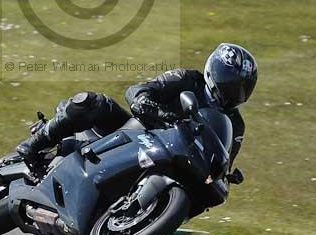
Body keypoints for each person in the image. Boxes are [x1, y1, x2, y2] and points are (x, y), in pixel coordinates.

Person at [16, 44, 258, 183]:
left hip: (171, 160)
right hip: (133, 133)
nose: (233, 91)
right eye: (230, 82)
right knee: (93, 102)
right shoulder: (187, 79)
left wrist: (223, 177)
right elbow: (140, 90)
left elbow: (223, 159)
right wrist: (148, 104)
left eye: (240, 87)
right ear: (214, 72)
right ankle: (34, 146)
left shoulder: (235, 124)